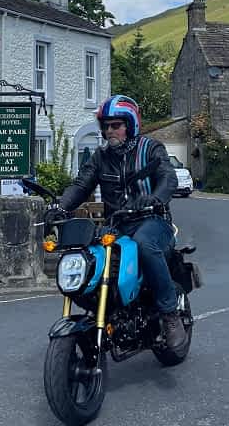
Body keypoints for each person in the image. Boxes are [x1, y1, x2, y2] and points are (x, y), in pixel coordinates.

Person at [58, 94, 184, 353]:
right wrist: (59, 208)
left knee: (144, 244)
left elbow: (167, 178)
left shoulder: (151, 149)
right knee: (88, 256)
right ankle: (104, 312)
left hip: (152, 221)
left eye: (116, 125)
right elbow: (82, 185)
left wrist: (155, 198)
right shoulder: (101, 157)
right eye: (106, 126)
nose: (109, 130)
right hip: (117, 225)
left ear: (130, 124)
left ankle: (170, 314)